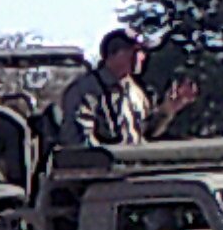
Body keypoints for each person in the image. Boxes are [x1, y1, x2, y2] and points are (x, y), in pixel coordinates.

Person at [56, 29, 201, 152]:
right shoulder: (85, 91)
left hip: (133, 175)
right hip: (102, 180)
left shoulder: (135, 92)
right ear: (115, 54)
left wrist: (168, 109)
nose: (142, 57)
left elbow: (145, 133)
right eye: (137, 51)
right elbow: (79, 146)